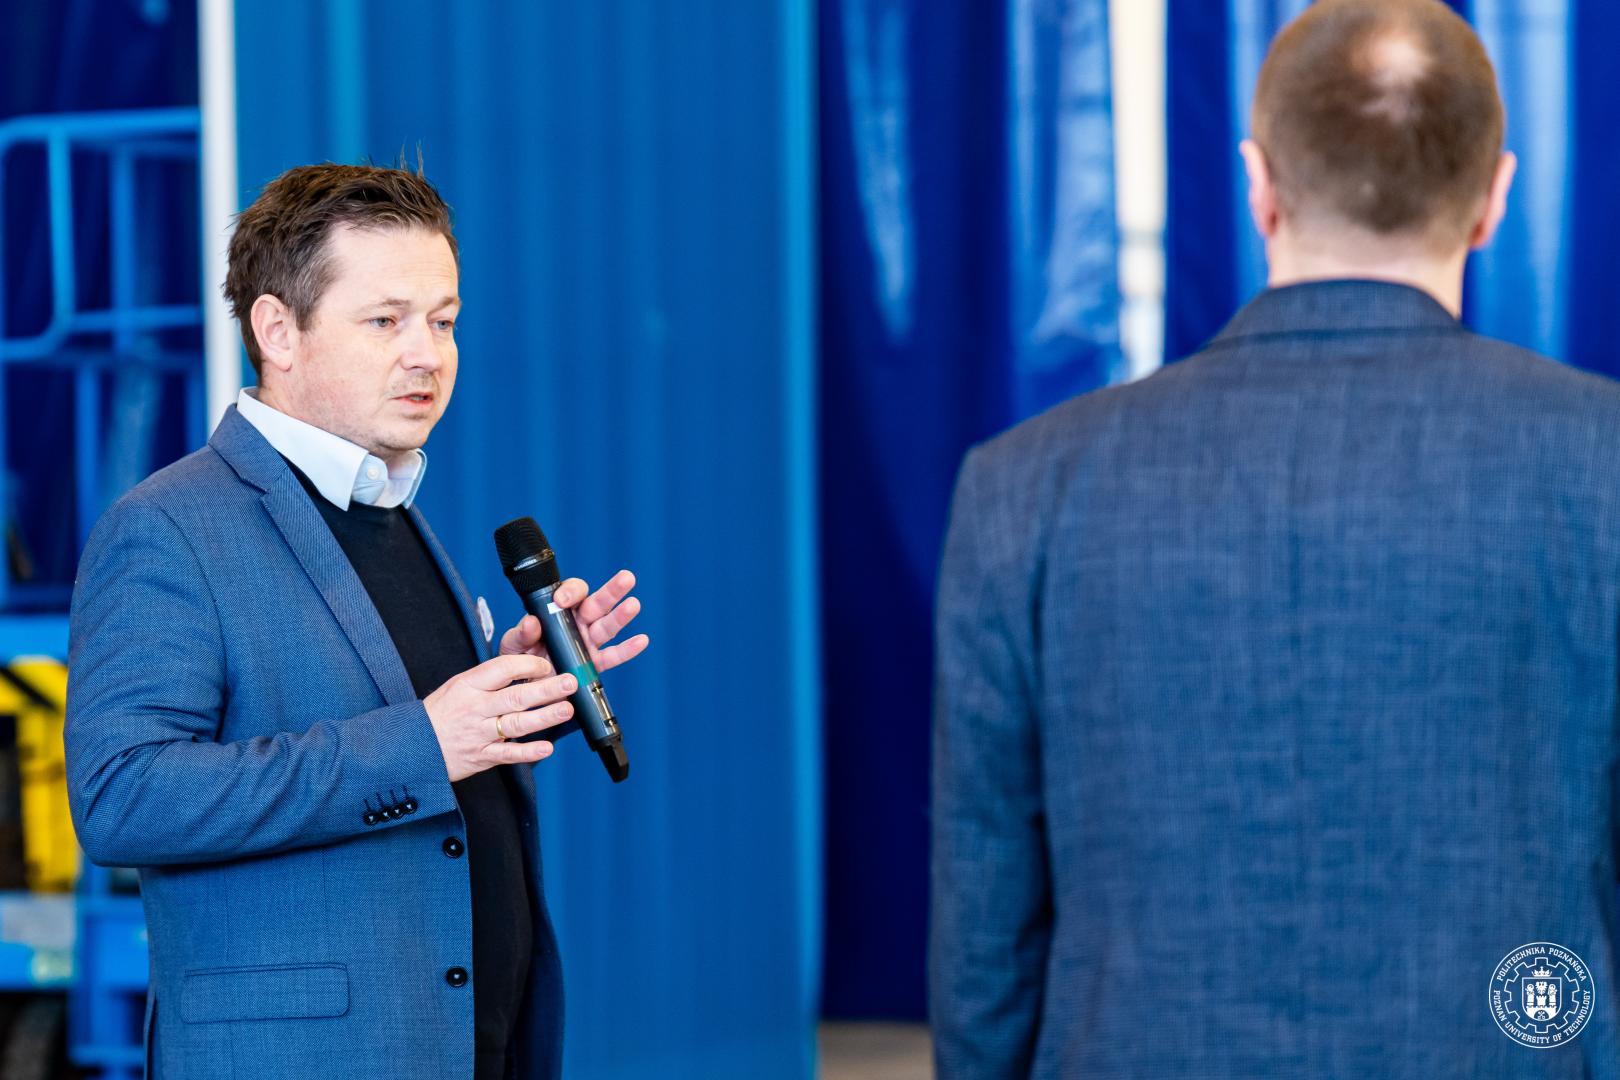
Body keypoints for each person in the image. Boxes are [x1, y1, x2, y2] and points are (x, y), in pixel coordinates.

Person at [932, 1, 1618, 1076]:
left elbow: (988, 932)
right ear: (1496, 196)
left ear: (1257, 184)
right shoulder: (1600, 461)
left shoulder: (1026, 487)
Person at [64, 163, 648, 1079]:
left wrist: (515, 692)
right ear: (277, 331)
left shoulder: (391, 509)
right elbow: (122, 798)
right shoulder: (168, 528)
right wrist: (422, 743)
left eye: (444, 321)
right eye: (386, 321)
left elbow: (423, 739)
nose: (428, 355)